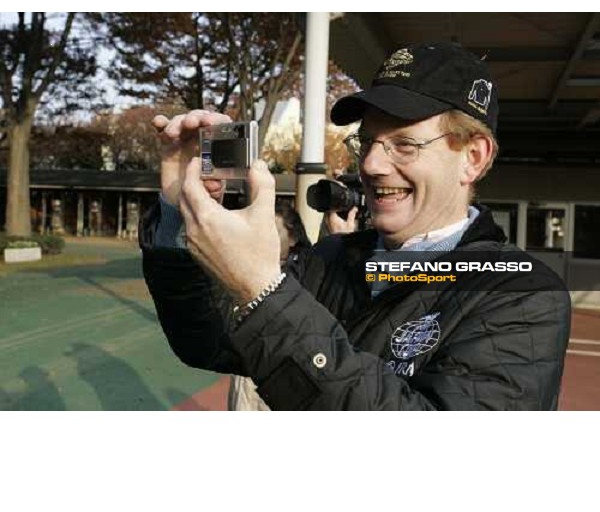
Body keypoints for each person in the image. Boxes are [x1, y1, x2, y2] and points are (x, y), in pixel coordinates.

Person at [140, 42, 571, 410]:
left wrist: (263, 290)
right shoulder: (333, 259)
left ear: (472, 158)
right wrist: (180, 207)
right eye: (366, 142)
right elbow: (207, 341)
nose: (370, 164)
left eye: (404, 144)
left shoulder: (523, 296)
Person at [228, 200, 312, 411]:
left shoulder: (309, 272)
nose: (263, 239)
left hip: (287, 374)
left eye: (272, 231)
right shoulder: (243, 269)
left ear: (293, 237)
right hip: (247, 373)